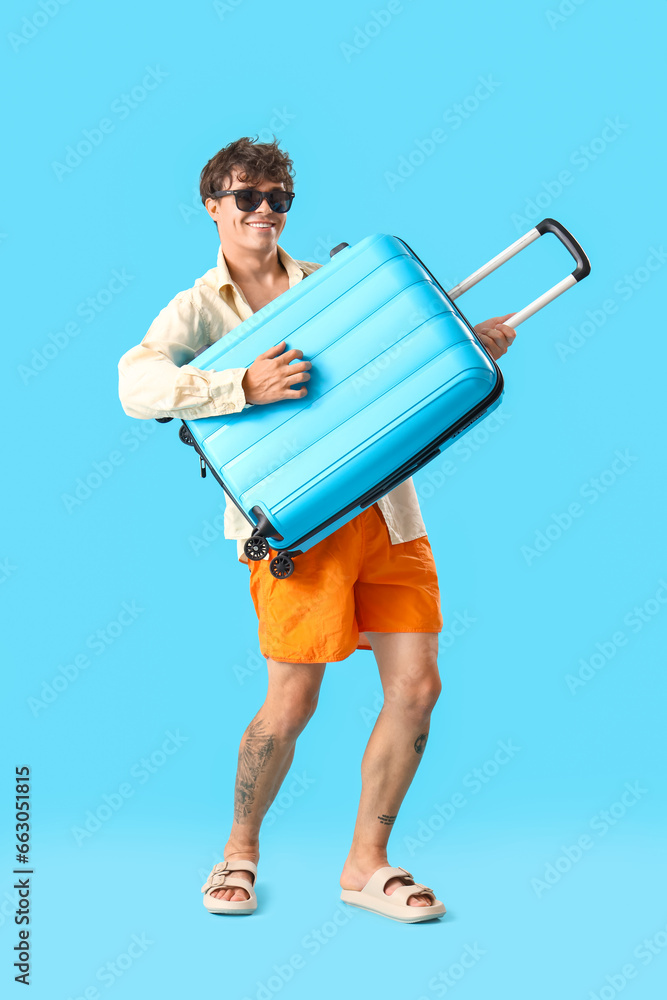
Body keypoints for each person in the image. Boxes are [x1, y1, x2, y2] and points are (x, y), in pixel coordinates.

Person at [117, 135, 516, 922]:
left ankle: (366, 864)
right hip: (297, 531)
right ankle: (238, 851)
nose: (264, 212)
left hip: (390, 515)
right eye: (246, 198)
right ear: (213, 205)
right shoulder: (201, 306)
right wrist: (241, 384)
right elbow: (137, 385)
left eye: (278, 199)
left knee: (418, 688)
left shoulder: (336, 283)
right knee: (292, 703)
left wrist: (471, 345)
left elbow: (391, 370)